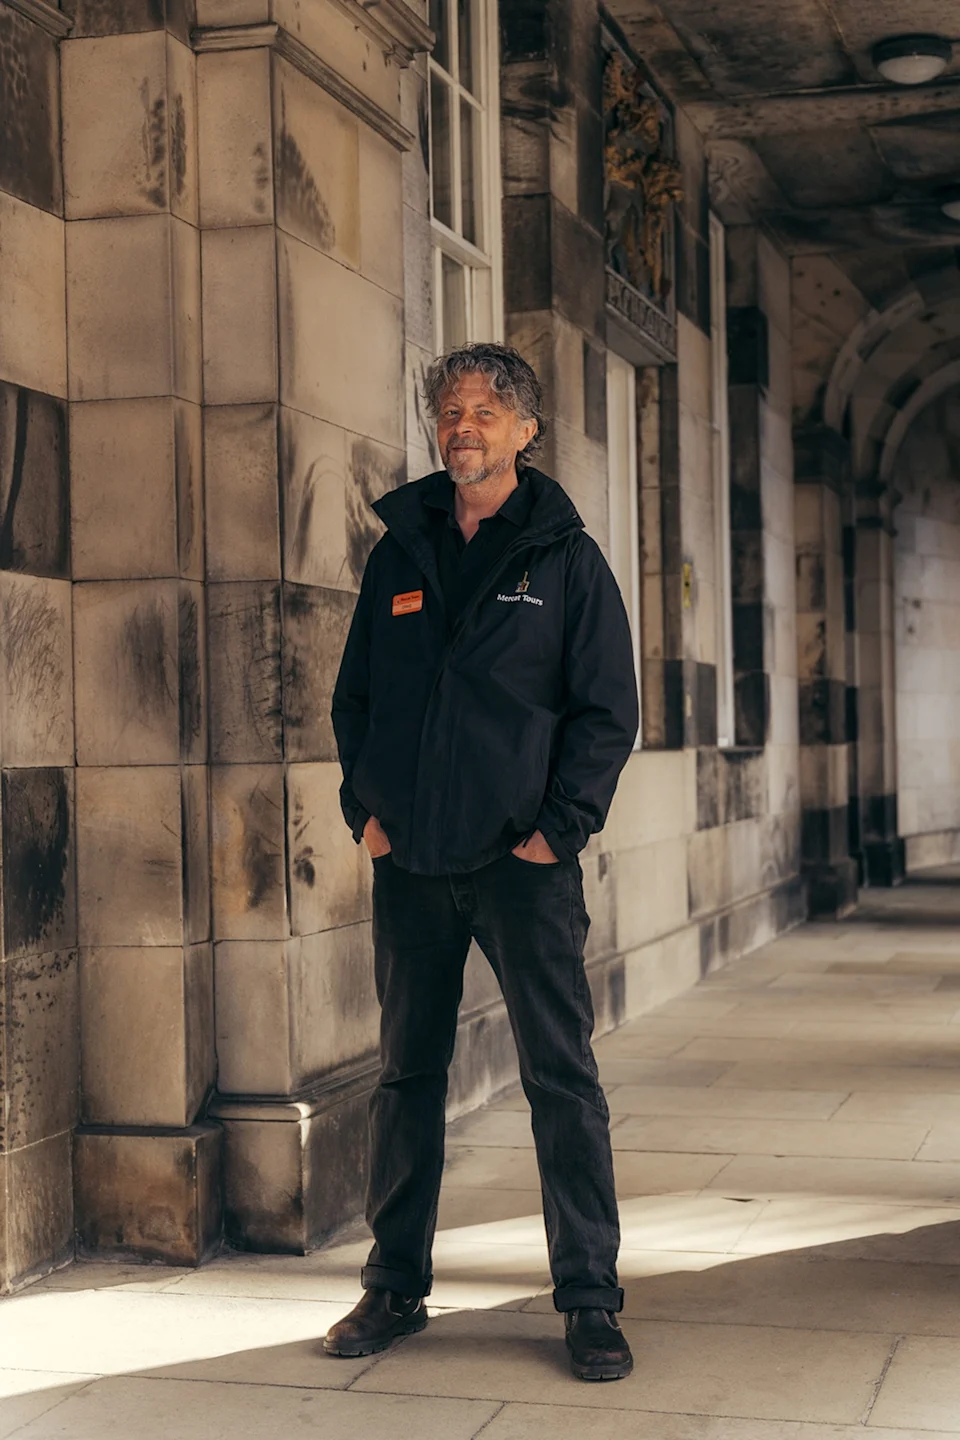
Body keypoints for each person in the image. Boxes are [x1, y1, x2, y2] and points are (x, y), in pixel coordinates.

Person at [325, 342, 639, 1382]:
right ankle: (394, 1285)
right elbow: (355, 698)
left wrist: (558, 832)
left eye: (485, 411)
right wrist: (365, 811)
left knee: (562, 1078)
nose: (463, 425)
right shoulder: (399, 552)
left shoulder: (564, 560)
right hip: (410, 863)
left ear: (526, 432)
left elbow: (608, 713)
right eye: (451, 409)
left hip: (523, 868)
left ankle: (589, 1298)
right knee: (407, 1077)